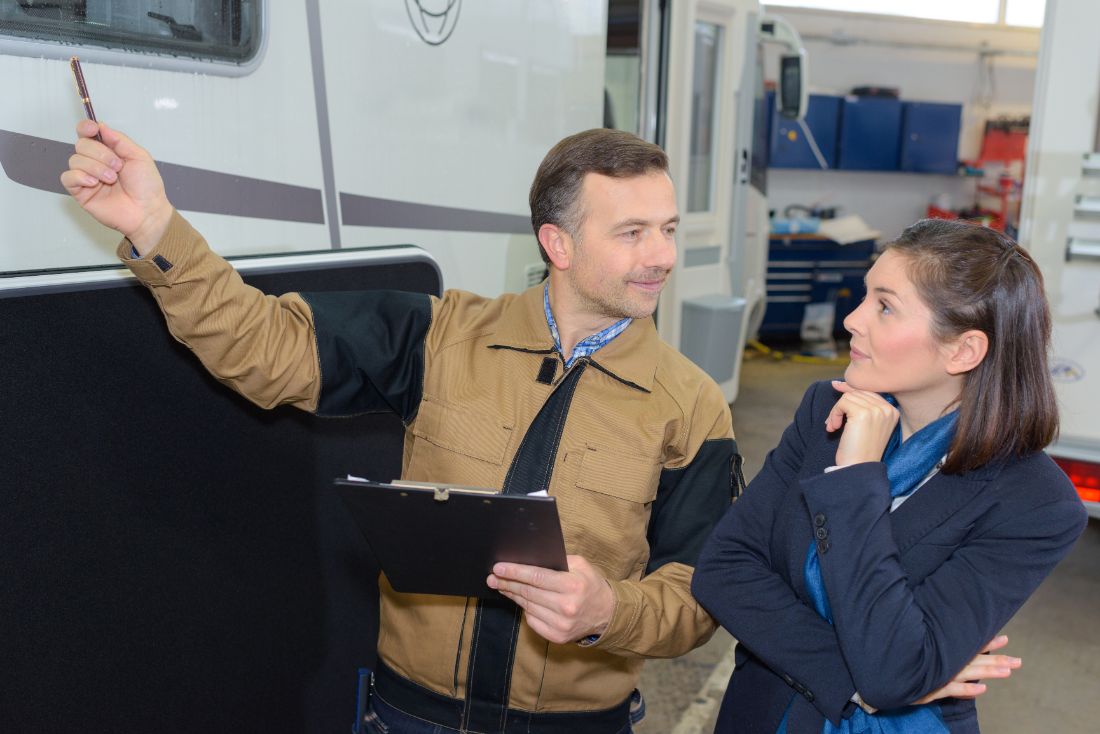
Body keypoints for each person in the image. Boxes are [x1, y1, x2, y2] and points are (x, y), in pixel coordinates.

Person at [61, 120, 740, 734]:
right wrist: (154, 225)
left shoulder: (691, 405)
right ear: (556, 243)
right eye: (632, 233)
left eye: (669, 228)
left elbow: (699, 597)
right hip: (410, 716)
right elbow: (259, 344)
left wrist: (608, 612)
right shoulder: (439, 335)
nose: (662, 256)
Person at [691, 219, 1088, 734]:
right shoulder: (825, 411)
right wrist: (853, 681)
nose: (853, 319)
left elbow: (892, 666)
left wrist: (856, 477)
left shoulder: (1034, 504)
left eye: (884, 306)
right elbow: (722, 570)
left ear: (962, 351)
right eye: (865, 297)